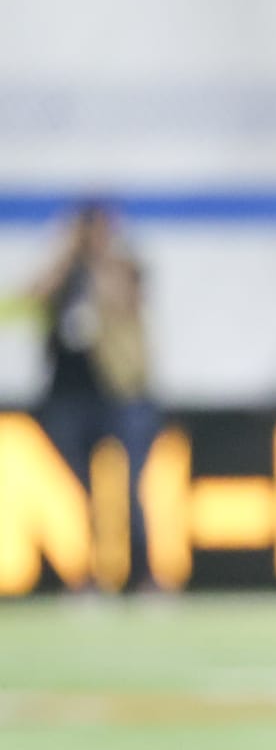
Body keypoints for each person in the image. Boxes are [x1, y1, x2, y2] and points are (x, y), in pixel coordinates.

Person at [22, 202, 160, 592]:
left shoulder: (121, 266)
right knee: (78, 493)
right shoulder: (66, 270)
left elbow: (122, 300)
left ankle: (143, 576)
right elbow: (33, 295)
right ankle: (86, 577)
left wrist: (97, 259)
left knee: (129, 488)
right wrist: (68, 255)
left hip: (118, 395)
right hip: (68, 396)